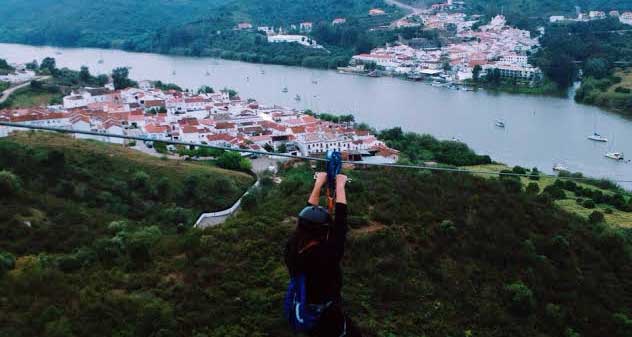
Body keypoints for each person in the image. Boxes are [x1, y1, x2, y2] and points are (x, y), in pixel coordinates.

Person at [284, 172, 362, 337]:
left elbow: (308, 216)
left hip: (307, 310)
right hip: (327, 316)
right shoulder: (326, 255)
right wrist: (340, 184)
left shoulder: (293, 247)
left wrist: (319, 184)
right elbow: (340, 224)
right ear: (323, 232)